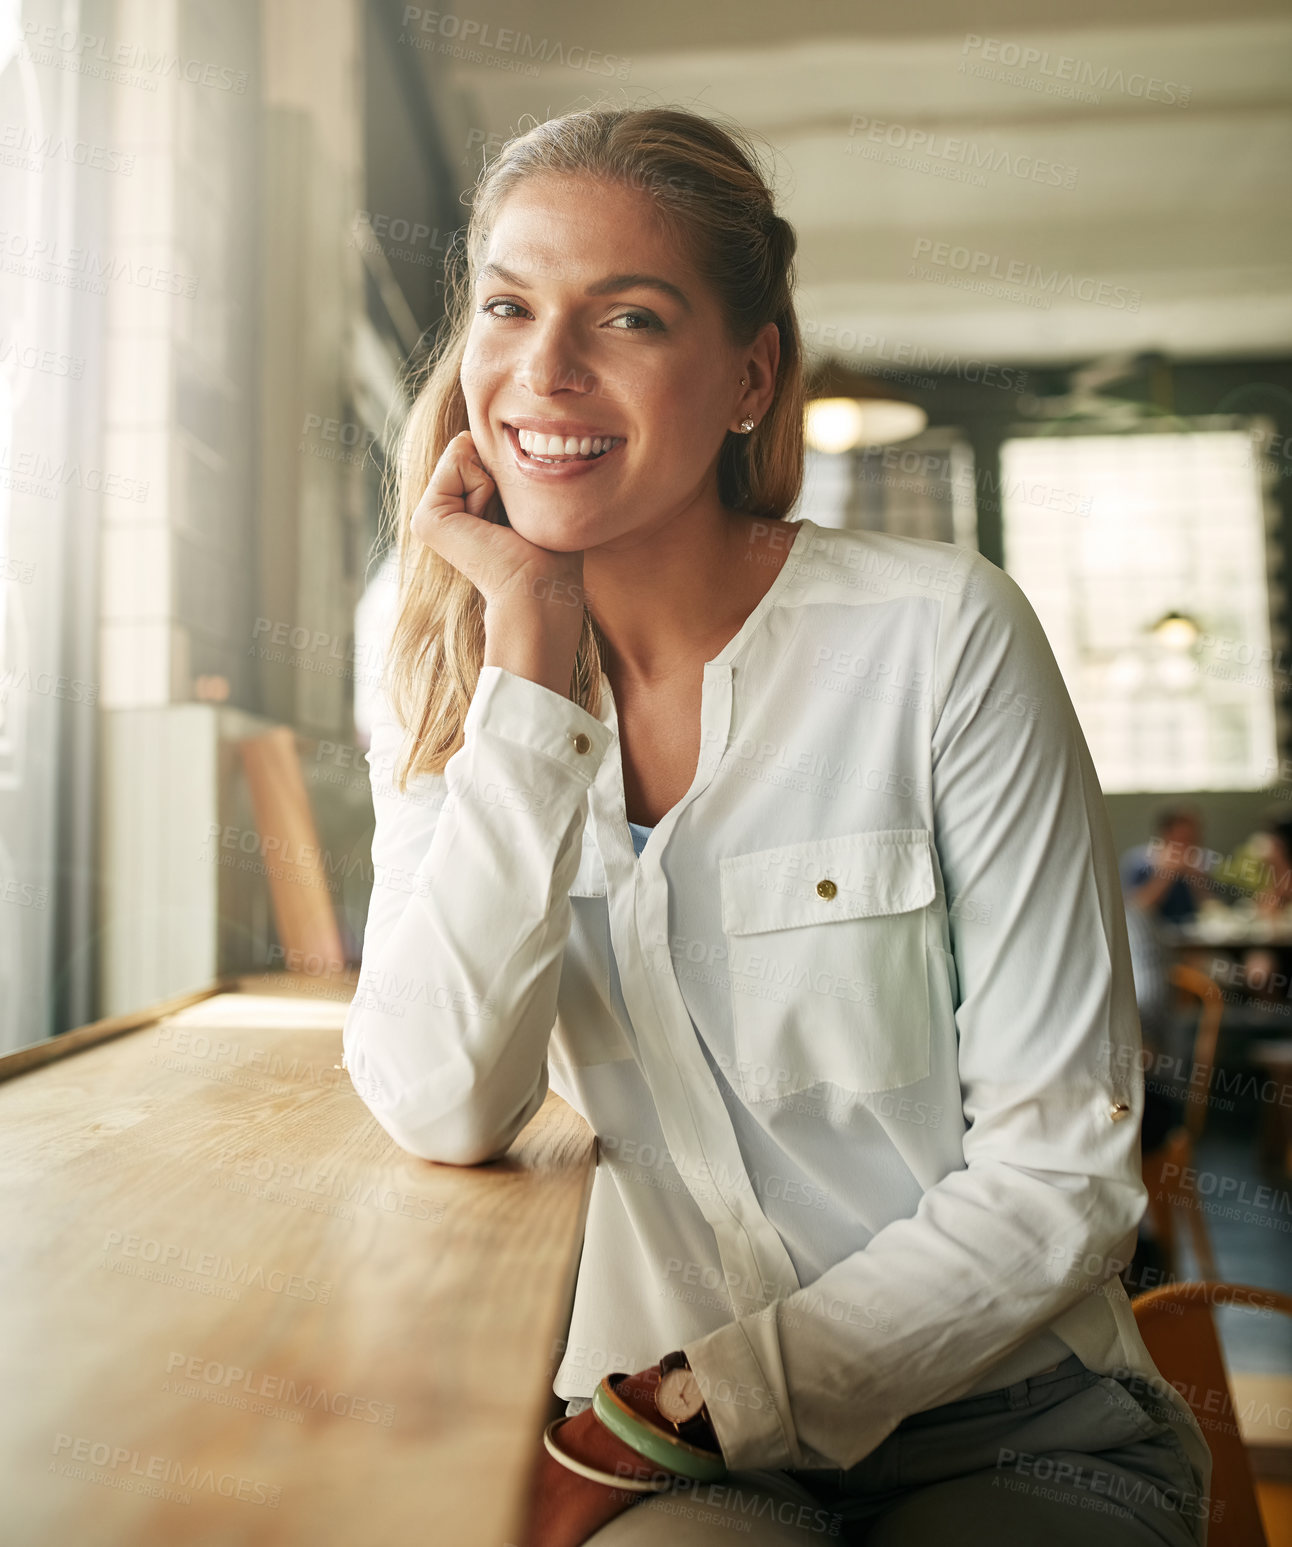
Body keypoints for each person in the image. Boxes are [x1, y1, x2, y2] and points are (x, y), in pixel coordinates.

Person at [342, 106, 1213, 1546]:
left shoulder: (941, 637)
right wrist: (526, 667)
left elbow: (1064, 1167)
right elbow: (443, 1097)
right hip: (681, 1465)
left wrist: (677, 1404)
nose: (544, 370)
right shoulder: (449, 658)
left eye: (627, 316)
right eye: (509, 304)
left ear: (750, 375)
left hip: (1000, 1421)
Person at [1119, 805, 1210, 929]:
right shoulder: (1140, 861)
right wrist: (1166, 875)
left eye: (1193, 839)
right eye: (1182, 840)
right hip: (1150, 939)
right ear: (1166, 835)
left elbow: (1211, 908)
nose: (1188, 846)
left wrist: (1195, 877)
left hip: (1192, 937)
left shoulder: (1202, 862)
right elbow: (1136, 909)